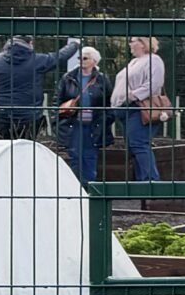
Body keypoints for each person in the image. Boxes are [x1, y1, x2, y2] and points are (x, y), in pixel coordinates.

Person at [0, 32, 79, 141]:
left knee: (4, 150)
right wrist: (74, 44)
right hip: (30, 115)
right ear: (30, 43)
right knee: (27, 150)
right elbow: (60, 57)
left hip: (3, 114)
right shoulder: (37, 60)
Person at [110, 36, 167, 184]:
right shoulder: (134, 62)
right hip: (125, 109)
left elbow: (155, 83)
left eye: (133, 40)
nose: (130, 43)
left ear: (143, 43)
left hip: (139, 107)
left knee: (138, 143)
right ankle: (140, 181)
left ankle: (150, 181)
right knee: (132, 146)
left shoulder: (153, 60)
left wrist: (133, 95)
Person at [55, 47, 111, 184]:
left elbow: (109, 103)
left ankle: (89, 188)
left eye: (85, 58)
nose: (81, 60)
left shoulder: (102, 79)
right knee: (75, 156)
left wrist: (106, 120)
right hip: (73, 124)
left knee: (90, 156)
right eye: (79, 58)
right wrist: (57, 122)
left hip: (94, 125)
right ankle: (76, 187)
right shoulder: (68, 77)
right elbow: (56, 101)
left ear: (94, 61)